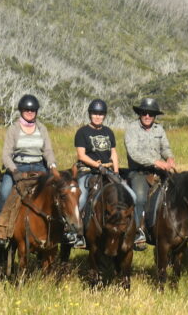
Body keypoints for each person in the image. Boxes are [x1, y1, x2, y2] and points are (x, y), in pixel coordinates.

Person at [0, 94, 59, 247]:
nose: (30, 112)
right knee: (4, 193)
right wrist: (14, 171)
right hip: (18, 166)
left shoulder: (42, 128)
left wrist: (53, 166)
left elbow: (48, 150)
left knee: (57, 193)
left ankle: (61, 230)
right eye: (26, 110)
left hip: (39, 166)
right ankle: (0, 233)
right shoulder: (14, 129)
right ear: (21, 111)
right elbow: (6, 155)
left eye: (32, 110)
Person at [73, 99, 126, 249]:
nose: (98, 116)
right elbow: (81, 156)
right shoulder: (82, 132)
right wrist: (98, 166)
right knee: (82, 198)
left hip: (108, 171)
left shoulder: (108, 132)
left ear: (104, 116)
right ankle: (77, 233)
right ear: (90, 114)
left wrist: (116, 172)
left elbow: (114, 153)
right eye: (95, 113)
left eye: (101, 114)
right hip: (88, 172)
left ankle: (132, 232)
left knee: (127, 196)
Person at [124, 97, 174, 248]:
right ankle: (138, 231)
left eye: (151, 114)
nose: (147, 116)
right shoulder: (132, 129)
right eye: (144, 113)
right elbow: (133, 153)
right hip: (139, 172)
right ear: (140, 114)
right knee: (139, 198)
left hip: (159, 171)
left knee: (178, 189)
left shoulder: (159, 129)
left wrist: (169, 157)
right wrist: (155, 161)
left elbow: (165, 147)